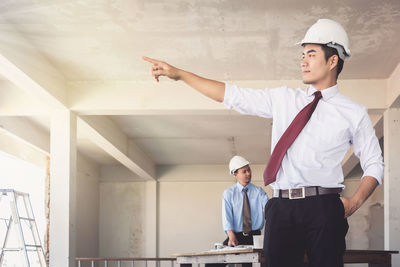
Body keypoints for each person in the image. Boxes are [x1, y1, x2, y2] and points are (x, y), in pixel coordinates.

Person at [143, 18, 384, 267]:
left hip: (324, 207)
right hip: (281, 207)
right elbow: (231, 95)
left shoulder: (354, 113)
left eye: (311, 54)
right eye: (302, 54)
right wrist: (180, 74)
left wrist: (354, 203)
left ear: (333, 60)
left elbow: (375, 163)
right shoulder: (283, 99)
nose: (303, 61)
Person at [222, 155, 269, 248]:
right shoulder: (228, 194)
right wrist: (231, 236)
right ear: (235, 175)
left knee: (254, 261)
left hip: (255, 236)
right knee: (213, 262)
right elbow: (226, 217)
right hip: (235, 236)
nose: (248, 173)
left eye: (249, 170)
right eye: (244, 171)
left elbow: (269, 210)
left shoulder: (259, 192)